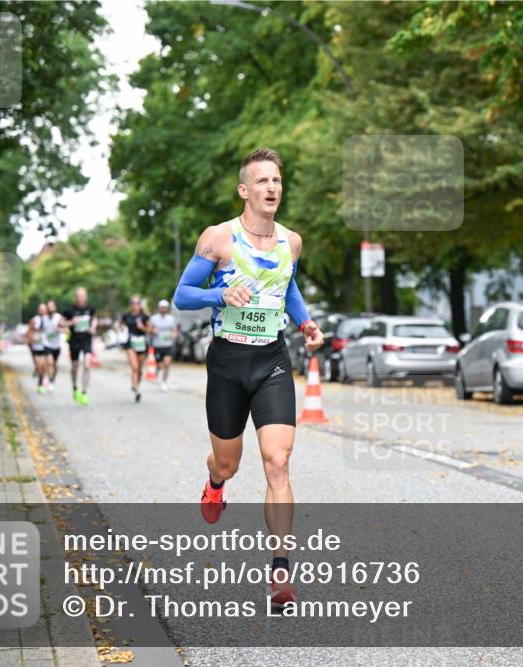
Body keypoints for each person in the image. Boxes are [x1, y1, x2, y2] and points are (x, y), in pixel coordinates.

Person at [173, 147, 324, 606]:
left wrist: (305, 321)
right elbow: (182, 295)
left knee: (278, 462)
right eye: (262, 181)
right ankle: (215, 484)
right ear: (244, 190)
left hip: (272, 360)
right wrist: (220, 295)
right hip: (227, 363)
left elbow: (288, 286)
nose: (271, 188)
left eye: (276, 180)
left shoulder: (291, 242)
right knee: (228, 463)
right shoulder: (218, 239)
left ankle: (280, 570)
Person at [63, 287, 96, 406]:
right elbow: (61, 323)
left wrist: (93, 328)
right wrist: (70, 322)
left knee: (87, 365)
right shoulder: (69, 310)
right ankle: (74, 387)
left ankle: (84, 392)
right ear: (75, 297)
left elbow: (94, 320)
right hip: (74, 341)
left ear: (86, 297)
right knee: (75, 367)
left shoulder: (90, 309)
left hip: (86, 340)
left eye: (83, 296)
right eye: (79, 296)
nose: (81, 298)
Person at [122, 295, 151, 402]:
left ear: (140, 304)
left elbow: (151, 330)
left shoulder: (144, 316)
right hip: (131, 343)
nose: (135, 305)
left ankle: (136, 385)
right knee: (134, 367)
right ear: (131, 304)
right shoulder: (127, 316)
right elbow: (121, 326)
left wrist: (142, 327)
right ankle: (135, 388)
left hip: (142, 344)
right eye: (133, 303)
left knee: (139, 369)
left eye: (137, 303)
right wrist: (120, 328)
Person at [149, 299, 179, 391]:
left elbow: (174, 331)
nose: (163, 309)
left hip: (168, 344)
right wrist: (153, 331)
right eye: (162, 307)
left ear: (167, 308)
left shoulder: (171, 319)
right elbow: (149, 330)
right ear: (159, 308)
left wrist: (173, 335)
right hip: (157, 345)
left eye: (165, 308)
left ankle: (164, 381)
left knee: (167, 363)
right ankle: (157, 369)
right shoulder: (154, 318)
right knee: (160, 365)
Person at [41, 299, 64, 390]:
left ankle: (53, 379)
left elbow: (65, 329)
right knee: (49, 362)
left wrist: (59, 329)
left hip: (57, 345)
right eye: (48, 307)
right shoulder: (44, 318)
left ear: (55, 307)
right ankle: (48, 379)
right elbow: (40, 330)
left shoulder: (59, 317)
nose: (50, 308)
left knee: (54, 364)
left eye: (52, 306)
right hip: (47, 344)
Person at [27, 303, 49, 394]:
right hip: (36, 346)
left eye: (44, 310)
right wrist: (31, 342)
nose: (42, 311)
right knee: (39, 365)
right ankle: (40, 383)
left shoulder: (49, 320)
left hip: (46, 345)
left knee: (44, 366)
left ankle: (42, 381)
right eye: (40, 310)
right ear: (38, 311)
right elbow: (29, 333)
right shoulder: (34, 320)